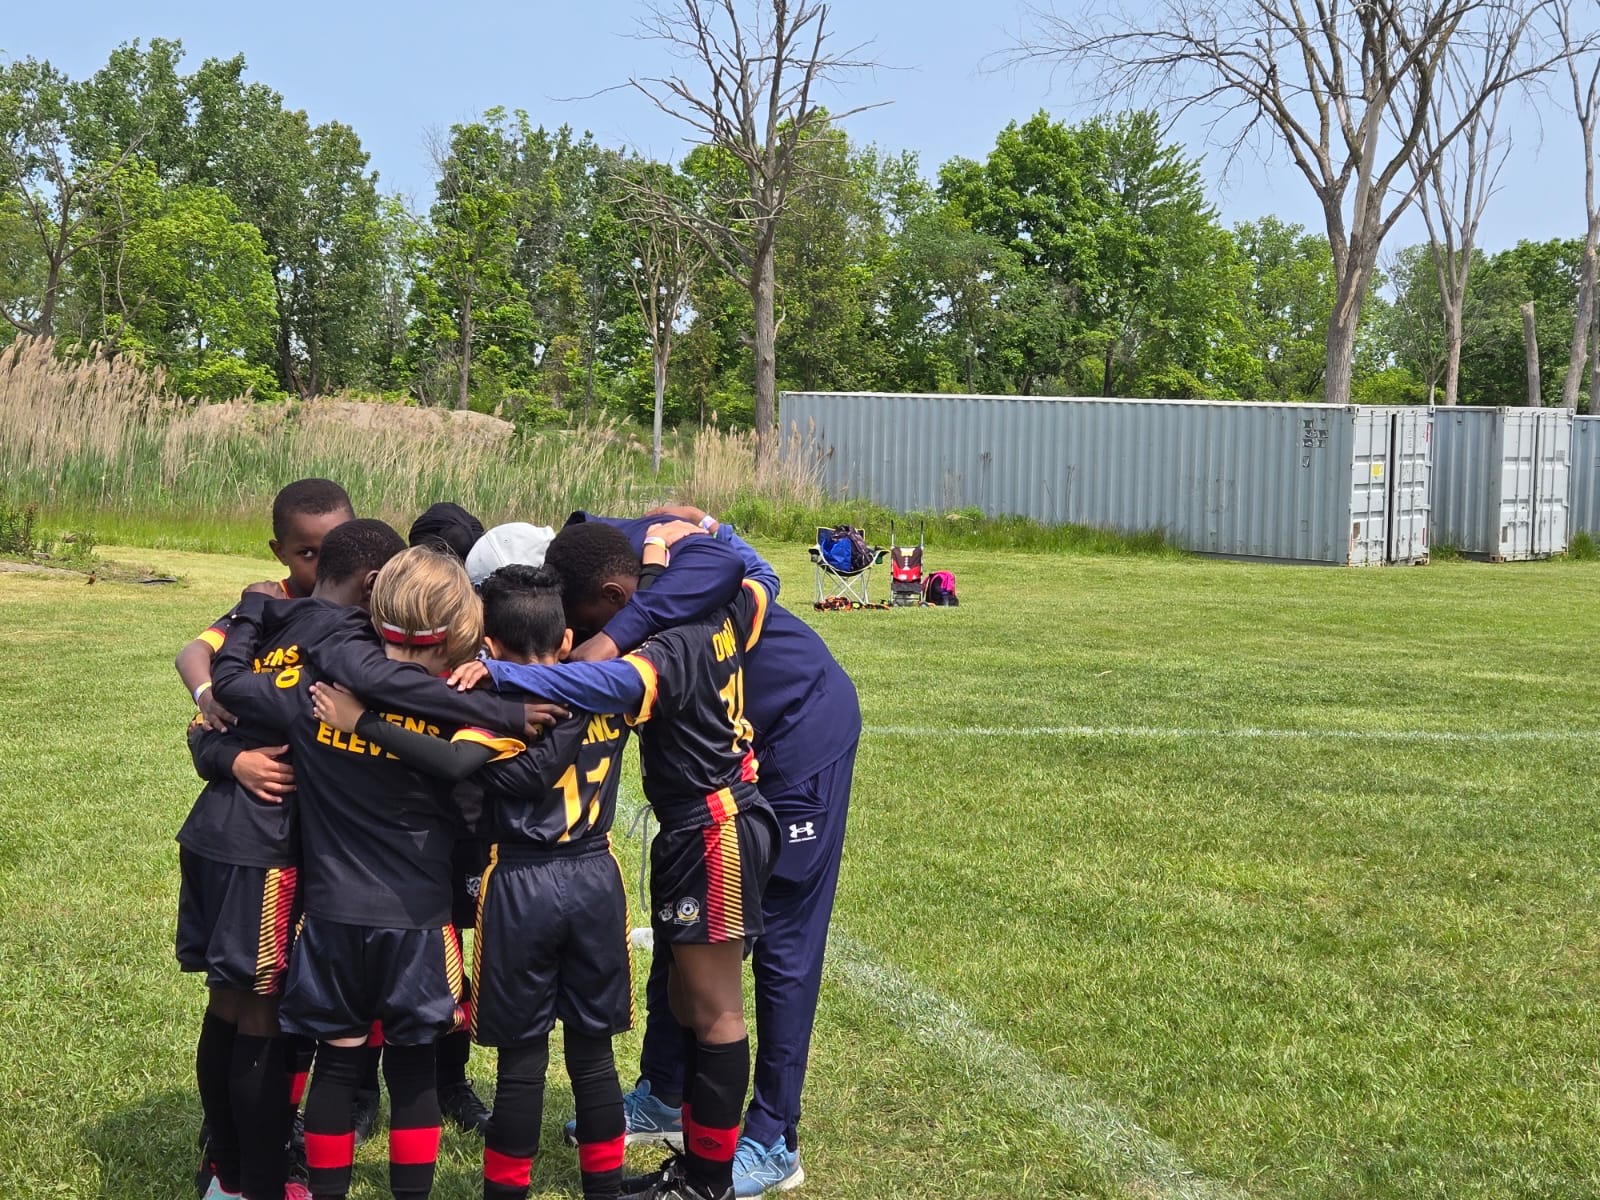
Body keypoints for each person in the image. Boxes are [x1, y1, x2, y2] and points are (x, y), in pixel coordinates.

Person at [211, 535, 543, 1200]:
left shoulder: (315, 692)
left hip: (331, 917)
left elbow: (231, 690)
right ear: (462, 626)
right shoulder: (462, 709)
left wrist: (246, 620)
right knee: (414, 1072)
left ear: (377, 606)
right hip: (417, 923)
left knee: (337, 1064)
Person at [555, 508, 859, 1197]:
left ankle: (774, 1135)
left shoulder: (657, 566)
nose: (573, 639)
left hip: (796, 733)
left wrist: (614, 638)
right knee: (688, 926)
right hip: (714, 773)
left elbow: (733, 564)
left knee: (779, 936)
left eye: (578, 626)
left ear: (609, 595)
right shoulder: (595, 560)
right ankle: (667, 1091)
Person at [310, 563, 633, 1200]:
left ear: (486, 648)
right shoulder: (601, 688)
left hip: (519, 880)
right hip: (597, 873)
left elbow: (482, 768)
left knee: (522, 1061)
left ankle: (505, 1191)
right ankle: (606, 1188)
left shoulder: (486, 706)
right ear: (567, 639)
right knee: (594, 1056)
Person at [481, 521, 781, 1200]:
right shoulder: (728, 610)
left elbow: (597, 683)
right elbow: (762, 574)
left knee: (716, 1011)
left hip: (711, 827)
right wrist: (710, 528)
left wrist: (495, 670)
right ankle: (694, 1166)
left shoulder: (665, 651)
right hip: (702, 823)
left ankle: (708, 1181)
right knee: (685, 1002)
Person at [175, 478, 355, 1200]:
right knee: (257, 1011)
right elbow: (197, 665)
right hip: (257, 844)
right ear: (281, 552)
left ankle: (230, 1164)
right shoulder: (267, 609)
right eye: (307, 553)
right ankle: (251, 1177)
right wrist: (219, 724)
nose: (320, 564)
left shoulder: (340, 621)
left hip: (240, 837)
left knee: (239, 1005)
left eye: (332, 551)